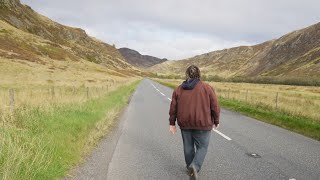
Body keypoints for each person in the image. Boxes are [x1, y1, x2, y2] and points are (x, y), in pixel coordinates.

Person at [168, 65, 220, 180]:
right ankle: (194, 167)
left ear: (187, 74)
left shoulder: (178, 89)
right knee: (202, 147)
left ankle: (190, 167)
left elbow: (173, 108)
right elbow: (215, 106)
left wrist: (172, 123)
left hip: (185, 124)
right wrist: (216, 120)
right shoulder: (207, 88)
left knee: (188, 147)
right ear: (199, 74)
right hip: (203, 124)